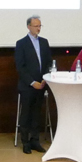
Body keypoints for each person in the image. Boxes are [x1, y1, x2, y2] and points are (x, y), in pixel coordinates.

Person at [13, 15, 51, 154]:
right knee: (26, 113)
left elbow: (48, 62)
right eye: (36, 26)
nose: (38, 28)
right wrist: (32, 82)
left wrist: (45, 78)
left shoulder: (44, 42)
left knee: (36, 113)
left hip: (42, 84)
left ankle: (35, 140)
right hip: (27, 85)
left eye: (40, 26)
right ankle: (25, 141)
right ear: (29, 26)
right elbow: (20, 67)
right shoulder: (21, 43)